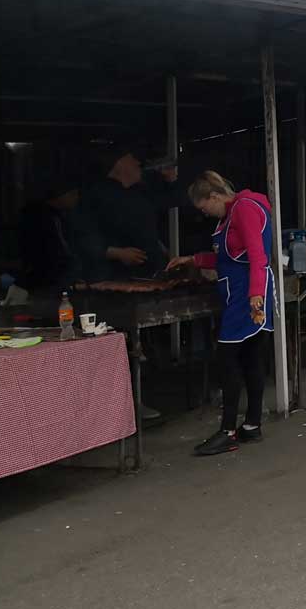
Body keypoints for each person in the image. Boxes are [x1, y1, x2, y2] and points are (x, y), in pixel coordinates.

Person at [168, 172, 275, 456]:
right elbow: (227, 257)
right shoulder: (229, 216)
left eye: (204, 207)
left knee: (227, 360)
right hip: (239, 293)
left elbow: (257, 255)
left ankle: (227, 430)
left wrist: (255, 294)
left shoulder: (245, 208)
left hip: (247, 295)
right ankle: (252, 425)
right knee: (251, 357)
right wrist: (193, 259)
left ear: (214, 196)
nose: (204, 213)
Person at [80, 146, 182, 279]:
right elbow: (83, 236)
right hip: (115, 276)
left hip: (149, 272)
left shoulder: (139, 192)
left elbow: (172, 201)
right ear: (119, 164)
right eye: (132, 159)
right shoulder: (96, 195)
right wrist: (117, 253)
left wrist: (171, 181)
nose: (137, 163)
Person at [18, 171, 99, 292]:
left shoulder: (57, 216)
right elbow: (58, 252)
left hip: (52, 279)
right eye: (73, 194)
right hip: (47, 282)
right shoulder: (43, 218)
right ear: (60, 196)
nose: (76, 198)